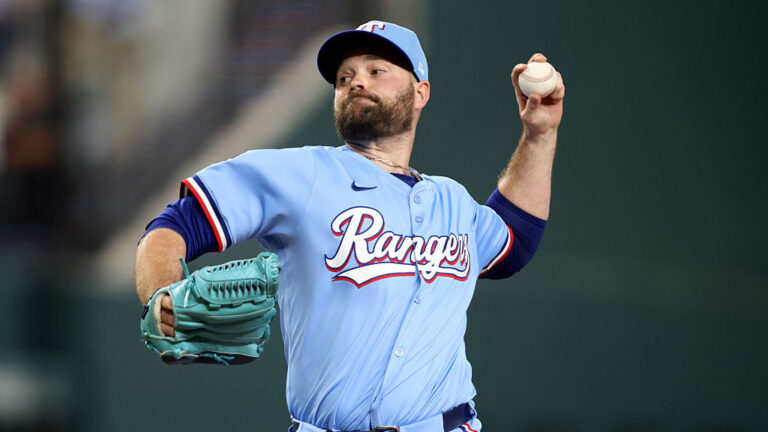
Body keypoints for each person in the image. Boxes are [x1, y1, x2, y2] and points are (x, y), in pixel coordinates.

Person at [134, 20, 564, 432]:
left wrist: (539, 135)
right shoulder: (301, 173)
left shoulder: (450, 200)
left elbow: (515, 240)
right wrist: (162, 294)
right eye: (344, 77)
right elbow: (175, 225)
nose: (357, 81)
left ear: (421, 92)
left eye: (376, 70)